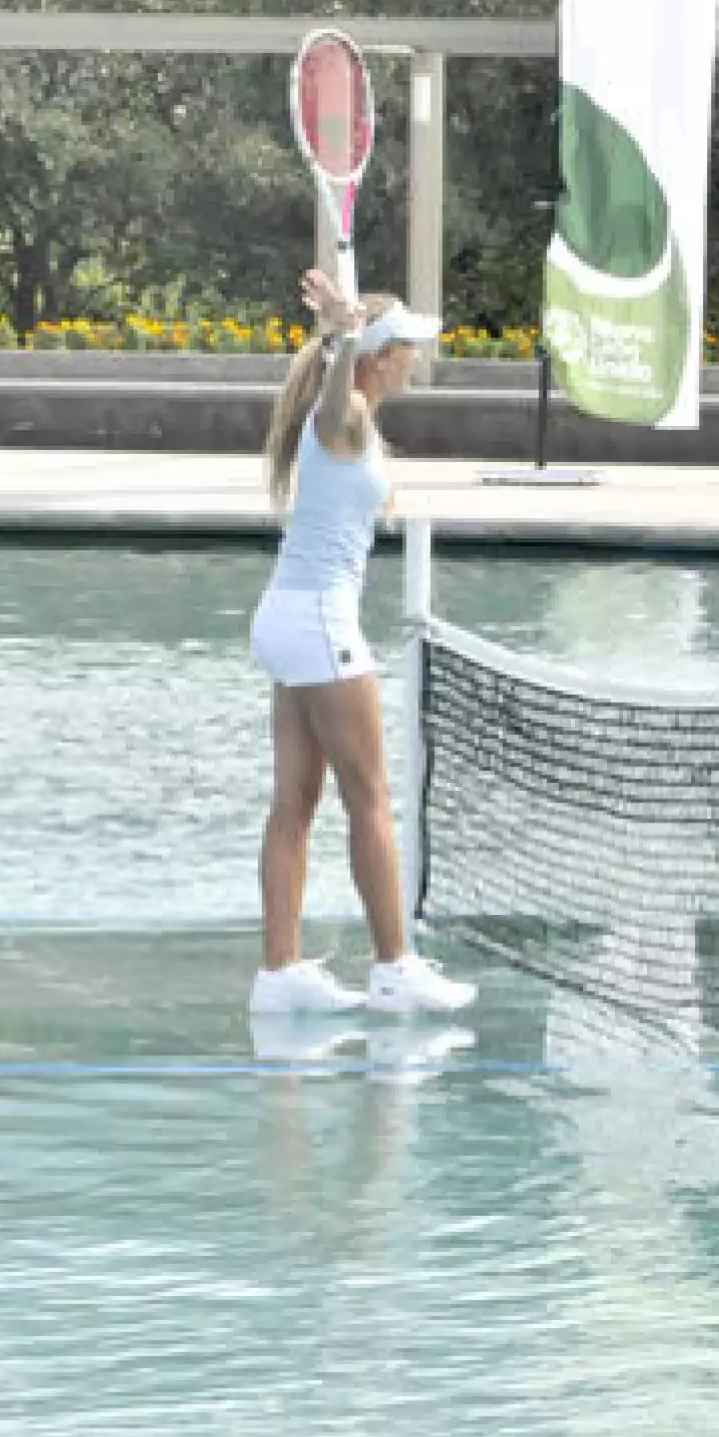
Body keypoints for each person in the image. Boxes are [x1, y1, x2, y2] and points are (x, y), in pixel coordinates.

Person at [249, 267, 476, 1017]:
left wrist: (345, 338)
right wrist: (344, 338)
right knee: (371, 798)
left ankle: (279, 976)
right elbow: (336, 393)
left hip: (288, 616)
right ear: (379, 357)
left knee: (296, 804)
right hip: (318, 621)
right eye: (406, 345)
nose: (415, 355)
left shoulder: (355, 421)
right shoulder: (341, 412)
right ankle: (394, 967)